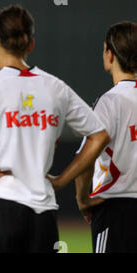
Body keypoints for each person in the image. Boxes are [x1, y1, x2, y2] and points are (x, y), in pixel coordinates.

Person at [0, 4, 110, 253]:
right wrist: (63, 179)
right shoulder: (56, 88)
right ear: (30, 44)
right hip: (42, 214)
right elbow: (99, 136)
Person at [74, 21, 137, 253]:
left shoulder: (109, 103)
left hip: (115, 210)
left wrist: (83, 199)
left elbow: (84, 161)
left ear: (110, 55)